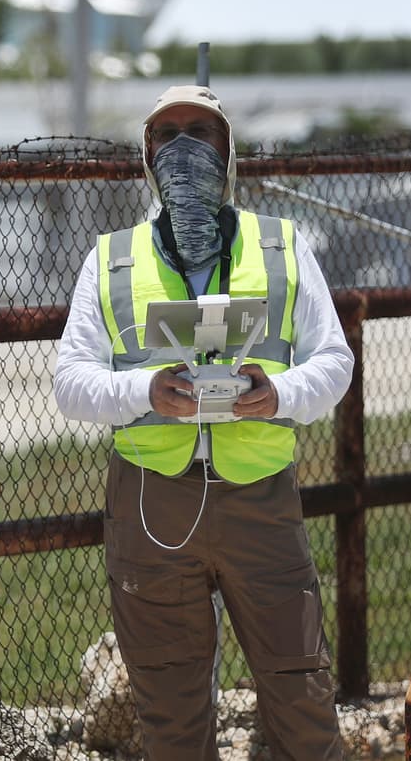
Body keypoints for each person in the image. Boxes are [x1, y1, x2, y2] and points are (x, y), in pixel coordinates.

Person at [52, 84, 354, 760]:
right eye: (167, 133)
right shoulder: (109, 259)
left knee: (301, 693)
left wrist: (276, 393)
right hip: (153, 498)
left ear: (229, 151)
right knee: (171, 712)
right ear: (146, 153)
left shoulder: (280, 246)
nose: (183, 147)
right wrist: (145, 391)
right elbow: (70, 383)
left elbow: (333, 360)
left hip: (260, 497)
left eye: (201, 131)